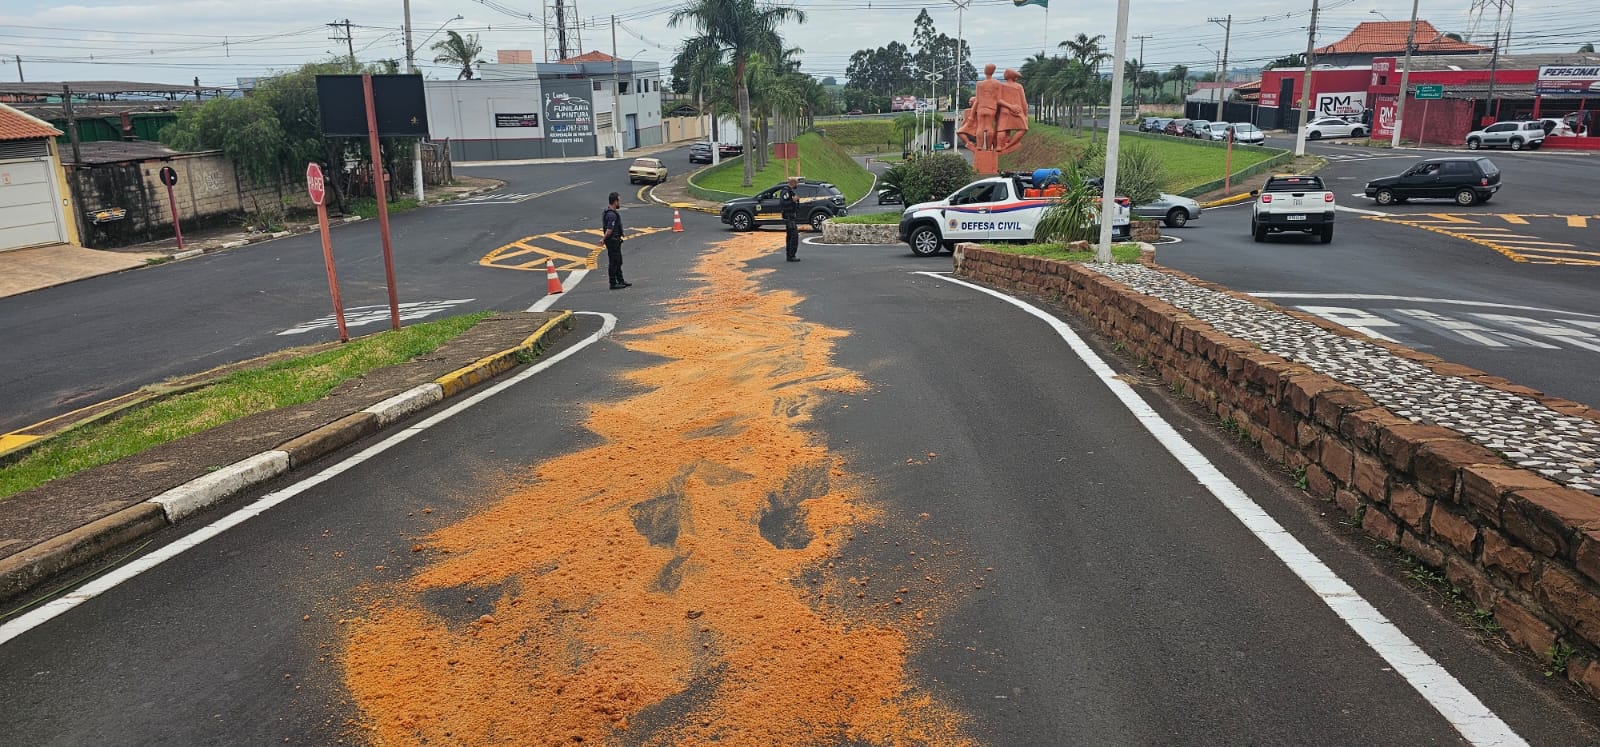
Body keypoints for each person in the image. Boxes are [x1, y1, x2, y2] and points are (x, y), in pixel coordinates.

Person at [600, 192, 630, 289]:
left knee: (618, 261)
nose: (620, 203)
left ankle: (620, 280)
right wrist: (603, 239)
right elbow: (609, 230)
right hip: (612, 241)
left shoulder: (610, 213)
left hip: (615, 240)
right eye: (619, 201)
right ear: (615, 201)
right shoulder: (611, 215)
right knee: (613, 262)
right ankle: (613, 283)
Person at [779, 175, 801, 262]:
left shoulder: (790, 191)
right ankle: (791, 255)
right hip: (789, 217)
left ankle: (790, 255)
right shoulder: (786, 191)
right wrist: (793, 201)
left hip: (792, 216)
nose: (797, 185)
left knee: (790, 236)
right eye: (797, 183)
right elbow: (783, 203)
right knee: (793, 236)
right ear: (793, 183)